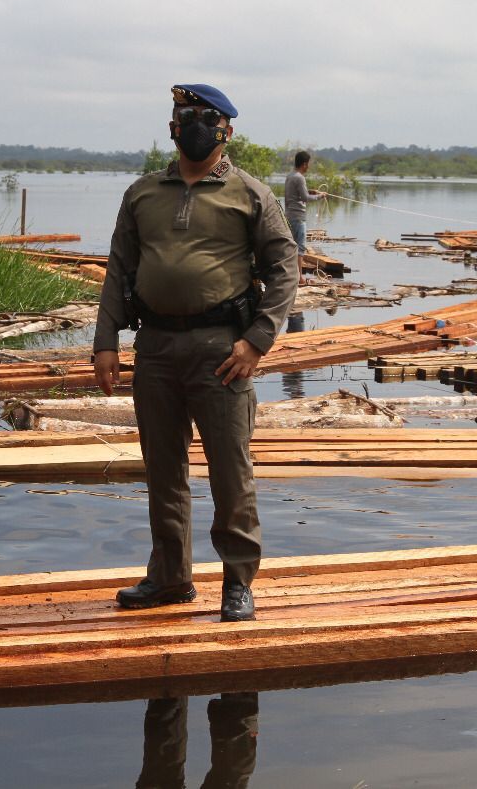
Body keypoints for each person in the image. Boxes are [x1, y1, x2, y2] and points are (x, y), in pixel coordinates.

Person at [93, 83, 299, 623]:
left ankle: (238, 582)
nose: (193, 126)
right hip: (155, 348)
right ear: (172, 127)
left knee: (230, 471)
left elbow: (285, 269)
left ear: (226, 130)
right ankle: (169, 577)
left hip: (222, 352)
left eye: (204, 118)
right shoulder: (142, 193)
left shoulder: (251, 194)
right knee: (163, 470)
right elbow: (118, 268)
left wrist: (257, 340)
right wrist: (106, 341)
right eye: (184, 117)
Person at [283, 151, 326, 283]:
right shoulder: (300, 178)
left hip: (289, 216)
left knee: (291, 247)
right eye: (308, 164)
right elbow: (305, 198)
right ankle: (300, 278)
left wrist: (312, 191)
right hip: (298, 218)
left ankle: (291, 275)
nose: (309, 166)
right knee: (300, 248)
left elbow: (296, 194)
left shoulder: (290, 176)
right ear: (304, 164)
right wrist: (320, 196)